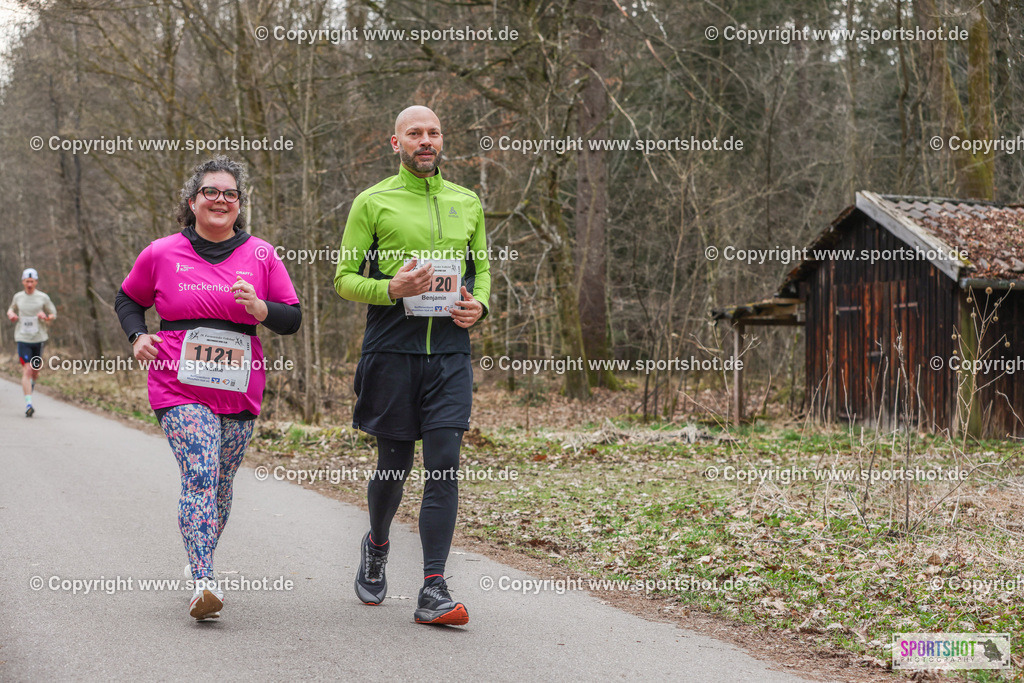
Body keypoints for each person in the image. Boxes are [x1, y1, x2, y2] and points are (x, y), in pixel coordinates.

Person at [115, 156, 301, 621]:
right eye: (211, 192)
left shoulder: (261, 254)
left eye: (230, 194)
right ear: (193, 201)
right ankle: (203, 582)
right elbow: (128, 299)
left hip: (239, 385)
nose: (221, 200)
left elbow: (292, 318)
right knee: (199, 472)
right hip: (177, 380)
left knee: (220, 483)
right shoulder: (160, 252)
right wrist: (138, 337)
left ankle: (201, 562)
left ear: (240, 204)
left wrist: (260, 308)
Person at [335, 105, 490, 626]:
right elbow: (343, 279)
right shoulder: (372, 202)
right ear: (395, 142)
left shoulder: (467, 202)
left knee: (444, 463)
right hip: (393, 354)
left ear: (442, 142)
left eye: (434, 133)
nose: (426, 140)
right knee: (394, 465)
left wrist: (480, 306)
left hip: (449, 355)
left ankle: (433, 587)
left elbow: (482, 270)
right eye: (415, 133)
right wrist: (390, 289)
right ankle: (377, 543)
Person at [7, 268, 57, 417]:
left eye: (32, 281)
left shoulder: (43, 297)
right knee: (27, 370)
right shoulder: (18, 297)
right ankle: (29, 404)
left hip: (39, 339)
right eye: (27, 281)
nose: (29, 284)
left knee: (35, 372)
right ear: (23, 281)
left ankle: (31, 387)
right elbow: (11, 309)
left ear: (36, 282)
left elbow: (53, 314)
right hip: (22, 338)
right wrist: (11, 314)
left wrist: (45, 317)